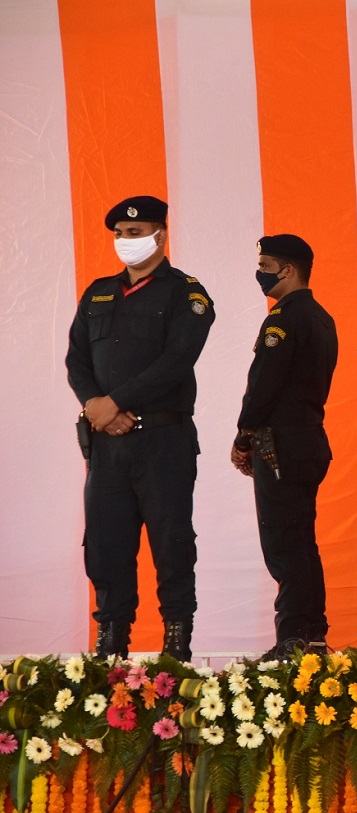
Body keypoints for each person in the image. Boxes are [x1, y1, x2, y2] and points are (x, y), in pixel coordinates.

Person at [66, 195, 215, 660]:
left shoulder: (186, 294)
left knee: (172, 541)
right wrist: (96, 407)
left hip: (163, 440)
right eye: (120, 234)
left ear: (160, 235)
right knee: (105, 542)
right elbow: (76, 361)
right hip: (107, 444)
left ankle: (176, 643)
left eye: (136, 232)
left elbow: (176, 361)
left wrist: (115, 402)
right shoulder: (98, 293)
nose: (126, 241)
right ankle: (111, 643)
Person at [231, 235, 339, 661]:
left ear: (288, 270)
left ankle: (292, 638)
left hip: (280, 444)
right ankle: (312, 635)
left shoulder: (284, 320)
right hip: (310, 439)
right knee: (302, 542)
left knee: (284, 544)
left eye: (265, 265)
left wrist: (244, 435)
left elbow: (264, 385)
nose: (260, 273)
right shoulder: (322, 317)